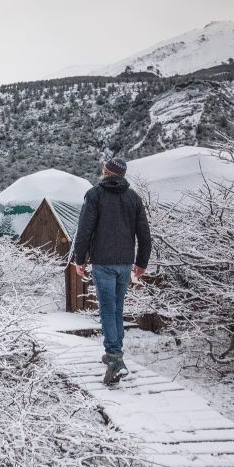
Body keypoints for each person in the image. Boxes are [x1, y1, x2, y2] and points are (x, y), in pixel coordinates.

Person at [72, 157, 151, 385]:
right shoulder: (133, 198)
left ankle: (115, 358)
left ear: (106, 172)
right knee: (117, 308)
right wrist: (141, 262)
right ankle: (115, 351)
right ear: (123, 175)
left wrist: (80, 259)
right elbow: (144, 234)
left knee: (107, 309)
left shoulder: (94, 195)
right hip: (125, 263)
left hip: (102, 262)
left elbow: (84, 229)